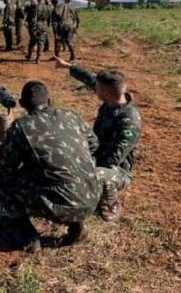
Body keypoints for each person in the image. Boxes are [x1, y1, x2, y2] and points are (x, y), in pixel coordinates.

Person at [0, 81, 100, 252]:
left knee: (1, 178)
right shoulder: (72, 116)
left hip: (59, 202)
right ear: (49, 101)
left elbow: (4, 168)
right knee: (61, 179)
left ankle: (26, 236)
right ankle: (76, 223)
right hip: (92, 195)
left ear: (22, 104)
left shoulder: (22, 126)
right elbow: (93, 144)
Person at [55, 57, 142, 221]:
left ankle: (109, 205)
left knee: (95, 174)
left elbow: (113, 158)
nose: (94, 89)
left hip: (117, 169)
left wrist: (84, 164)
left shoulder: (129, 121)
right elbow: (90, 78)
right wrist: (68, 66)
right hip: (97, 153)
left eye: (97, 88)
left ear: (107, 94)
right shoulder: (112, 98)